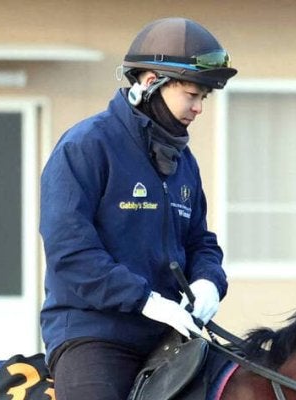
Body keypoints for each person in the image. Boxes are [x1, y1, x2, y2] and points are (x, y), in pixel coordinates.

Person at [38, 16, 235, 400]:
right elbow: (70, 252)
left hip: (169, 334)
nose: (199, 108)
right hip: (94, 334)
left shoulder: (184, 161)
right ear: (150, 83)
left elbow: (200, 241)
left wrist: (209, 281)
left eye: (204, 98)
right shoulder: (86, 146)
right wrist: (144, 300)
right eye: (191, 94)